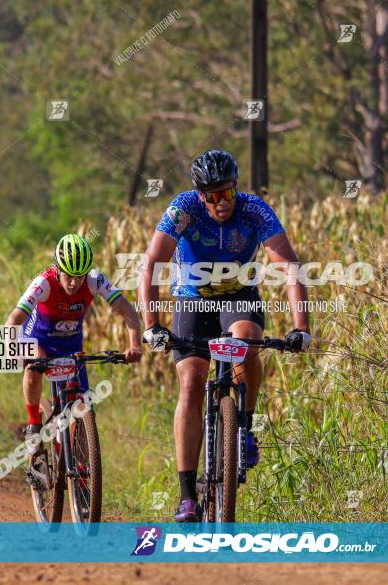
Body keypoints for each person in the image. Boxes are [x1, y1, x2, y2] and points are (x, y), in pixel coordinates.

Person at [140, 149, 312, 522]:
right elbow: (152, 263)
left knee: (247, 338)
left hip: (238, 298)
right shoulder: (183, 209)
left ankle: (243, 427)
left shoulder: (253, 209)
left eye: (228, 193)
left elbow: (289, 267)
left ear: (236, 188)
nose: (221, 202)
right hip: (192, 301)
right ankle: (187, 495)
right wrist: (152, 325)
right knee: (190, 382)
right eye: (213, 195)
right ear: (201, 195)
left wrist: (302, 329)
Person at [5, 234, 143, 452]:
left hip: (71, 344)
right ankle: (34, 423)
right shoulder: (43, 283)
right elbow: (14, 320)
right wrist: (16, 349)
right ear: (58, 269)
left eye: (80, 277)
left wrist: (135, 344)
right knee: (33, 368)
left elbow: (126, 310)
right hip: (39, 337)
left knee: (83, 408)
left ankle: (76, 467)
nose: (74, 283)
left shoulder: (95, 280)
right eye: (68, 276)